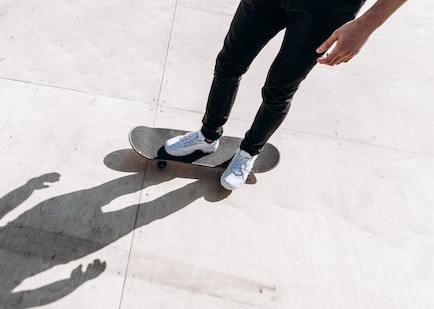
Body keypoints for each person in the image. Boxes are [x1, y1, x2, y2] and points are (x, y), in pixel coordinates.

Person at [164, 0, 408, 190]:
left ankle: (249, 152)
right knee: (228, 63)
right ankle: (207, 137)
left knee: (279, 89)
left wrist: (365, 26)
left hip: (328, 8)